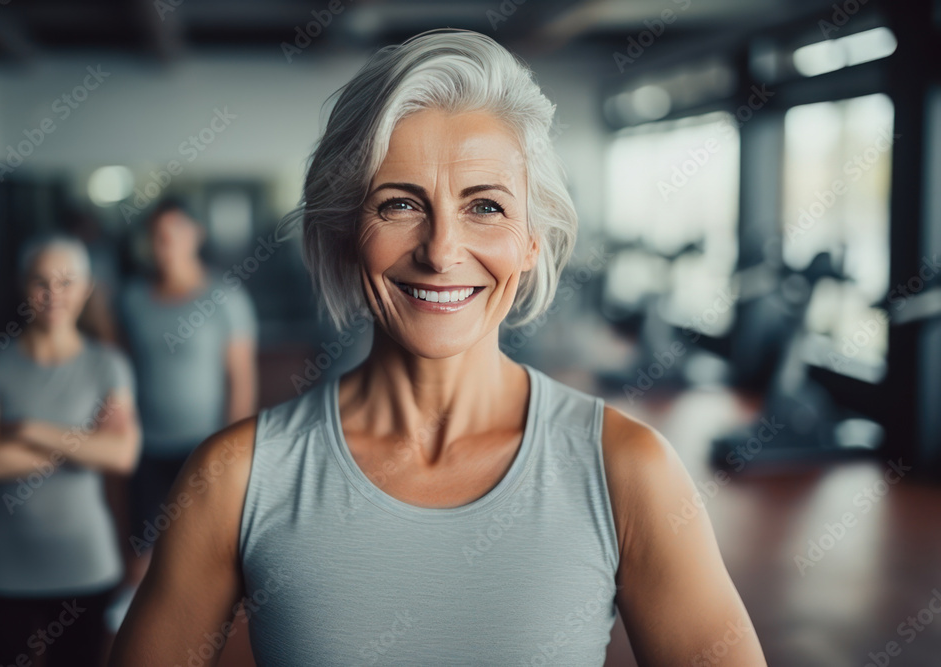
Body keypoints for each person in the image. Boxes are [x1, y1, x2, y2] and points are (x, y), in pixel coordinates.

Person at [109, 30, 768, 666]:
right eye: (400, 204)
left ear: (532, 240)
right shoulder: (235, 477)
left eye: (485, 207)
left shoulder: (630, 471)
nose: (442, 250)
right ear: (346, 234)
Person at [0, 233, 141, 667]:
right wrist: (83, 443)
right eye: (41, 281)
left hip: (85, 564)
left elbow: (122, 455)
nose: (52, 294)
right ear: (23, 286)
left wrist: (26, 429)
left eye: (66, 281)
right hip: (0, 569)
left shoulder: (107, 364)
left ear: (86, 287)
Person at [114, 198, 258, 595]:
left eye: (176, 232)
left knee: (201, 543)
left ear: (196, 235)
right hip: (145, 444)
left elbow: (241, 379)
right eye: (158, 234)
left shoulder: (226, 298)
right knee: (142, 547)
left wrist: (232, 448)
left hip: (203, 445)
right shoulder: (132, 299)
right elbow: (119, 370)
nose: (166, 242)